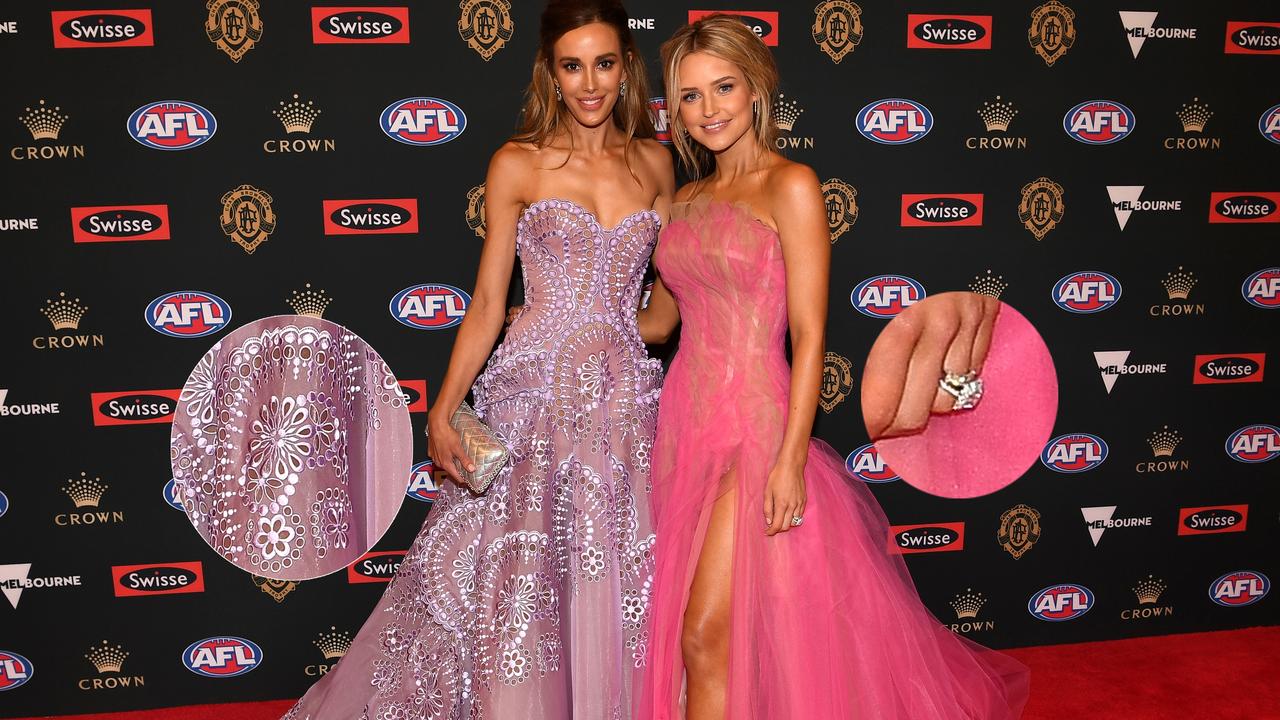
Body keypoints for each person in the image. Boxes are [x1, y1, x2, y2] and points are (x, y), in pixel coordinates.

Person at [282, 1, 672, 717]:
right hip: (531, 404)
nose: (591, 84)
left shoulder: (656, 164)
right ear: (550, 73)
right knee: (519, 586)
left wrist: (606, 332)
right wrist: (443, 408)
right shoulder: (517, 162)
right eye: (572, 65)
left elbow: (667, 310)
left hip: (622, 411)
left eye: (606, 64)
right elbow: (489, 302)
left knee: (613, 581)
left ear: (627, 67)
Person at [635, 15, 1030, 719]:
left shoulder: (791, 185)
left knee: (703, 636)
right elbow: (661, 321)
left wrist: (790, 458)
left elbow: (812, 335)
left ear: (756, 89)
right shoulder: (682, 201)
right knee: (710, 642)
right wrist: (562, 323)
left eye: (723, 87)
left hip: (756, 430)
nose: (709, 109)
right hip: (682, 431)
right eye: (690, 97)